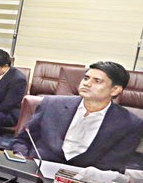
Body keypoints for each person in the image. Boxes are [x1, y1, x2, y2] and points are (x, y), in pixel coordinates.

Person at [12, 61, 143, 172]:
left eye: (97, 81)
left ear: (115, 90)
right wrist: (21, 159)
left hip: (84, 181)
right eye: (86, 78)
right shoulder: (51, 104)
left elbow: (113, 164)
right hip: (36, 170)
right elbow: (23, 140)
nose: (87, 83)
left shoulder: (130, 124)